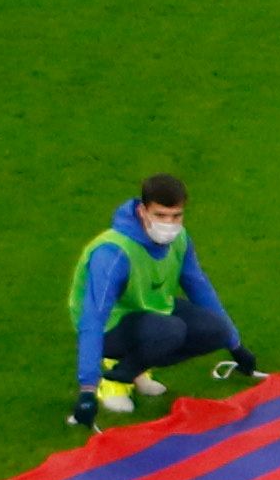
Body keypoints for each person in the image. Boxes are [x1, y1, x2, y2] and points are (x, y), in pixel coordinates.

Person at [70, 174, 257, 426]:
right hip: (110, 325)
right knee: (169, 332)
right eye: (160, 215)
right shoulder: (113, 253)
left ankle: (134, 369)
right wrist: (87, 389)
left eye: (176, 216)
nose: (169, 224)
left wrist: (235, 345)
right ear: (142, 211)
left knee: (216, 329)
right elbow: (93, 316)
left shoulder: (179, 239)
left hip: (151, 309)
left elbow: (200, 288)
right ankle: (113, 379)